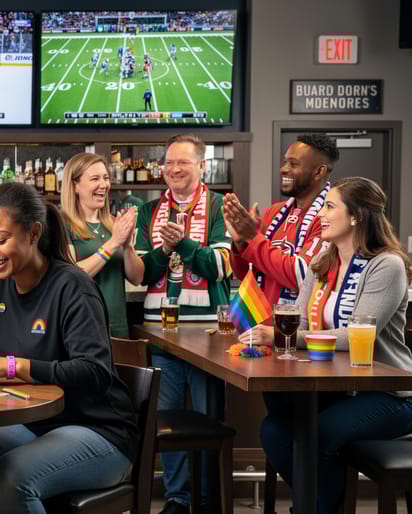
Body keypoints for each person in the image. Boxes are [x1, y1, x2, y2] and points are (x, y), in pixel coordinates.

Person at [0, 183, 140, 514]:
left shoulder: (72, 287)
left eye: (0, 239)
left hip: (99, 431)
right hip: (36, 424)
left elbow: (94, 372)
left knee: (9, 477)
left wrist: (13, 366)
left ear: (33, 234)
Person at [238, 177, 412, 514]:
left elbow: (357, 334)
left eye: (330, 207)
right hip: (338, 388)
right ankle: (316, 506)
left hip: (389, 393)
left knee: (317, 434)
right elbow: (300, 322)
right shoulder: (322, 261)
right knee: (275, 431)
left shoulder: (386, 265)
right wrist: (275, 332)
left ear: (356, 216)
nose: (321, 214)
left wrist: (284, 337)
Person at [135, 134, 232, 514]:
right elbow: (142, 275)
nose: (174, 169)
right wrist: (164, 249)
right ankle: (178, 499)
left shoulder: (221, 206)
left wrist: (186, 246)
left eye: (184, 162)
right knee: (168, 421)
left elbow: (221, 267)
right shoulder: (148, 211)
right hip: (160, 331)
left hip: (209, 334)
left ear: (201, 166)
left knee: (209, 419)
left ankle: (207, 500)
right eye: (169, 162)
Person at [226, 134, 336, 313]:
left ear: (319, 172)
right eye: (285, 162)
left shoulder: (329, 217)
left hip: (298, 325)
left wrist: (253, 237)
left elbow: (301, 275)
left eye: (294, 164)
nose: (283, 169)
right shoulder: (274, 212)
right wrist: (240, 242)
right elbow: (247, 274)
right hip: (261, 323)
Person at [60, 153, 144, 339]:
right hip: (81, 325)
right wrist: (113, 243)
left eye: (106, 178)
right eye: (95, 179)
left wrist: (128, 246)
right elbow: (70, 275)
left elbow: (137, 278)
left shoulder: (114, 224)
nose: (103, 185)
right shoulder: (63, 224)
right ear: (75, 186)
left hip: (117, 325)